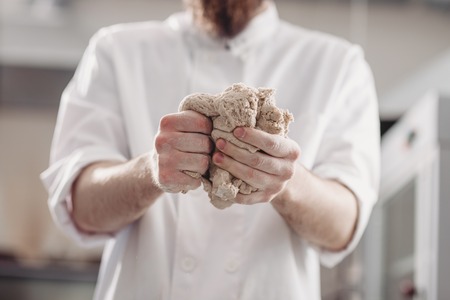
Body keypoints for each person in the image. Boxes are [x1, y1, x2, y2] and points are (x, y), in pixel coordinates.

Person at [41, 0, 380, 299]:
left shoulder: (338, 65)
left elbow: (344, 224)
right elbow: (81, 204)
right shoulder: (115, 50)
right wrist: (150, 171)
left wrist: (287, 181)